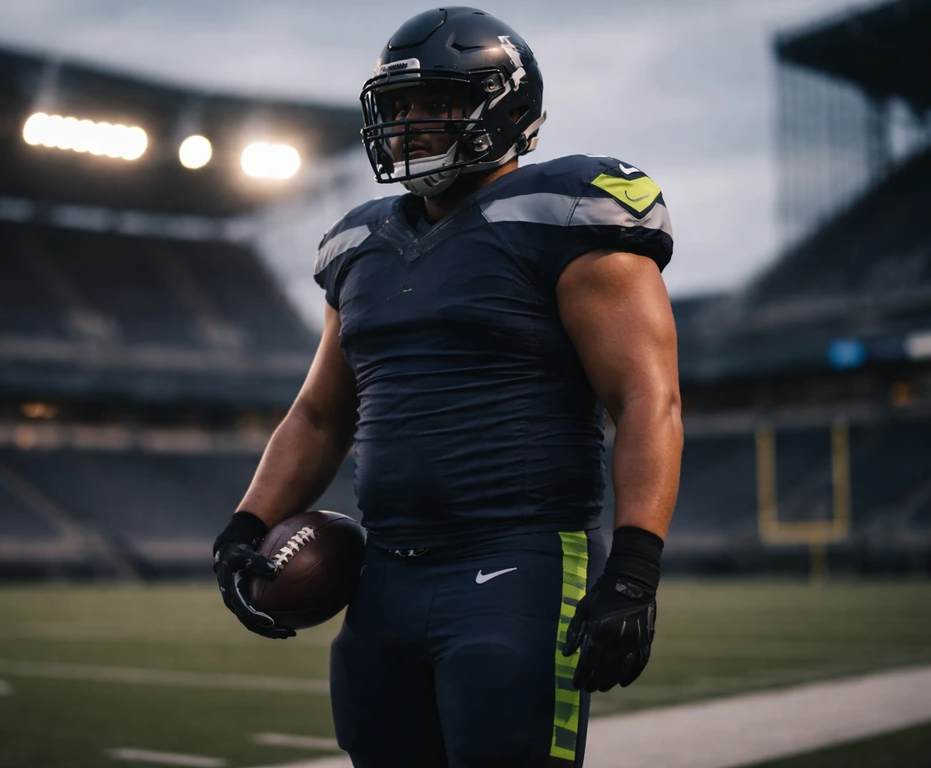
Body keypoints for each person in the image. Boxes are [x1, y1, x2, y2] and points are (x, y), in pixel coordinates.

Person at [213, 7, 682, 767]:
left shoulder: (568, 212)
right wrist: (245, 527)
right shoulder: (358, 243)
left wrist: (634, 570)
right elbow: (321, 415)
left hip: (520, 560)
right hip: (384, 574)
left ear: (507, 107)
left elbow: (646, 400)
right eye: (398, 107)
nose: (410, 126)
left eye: (436, 102)